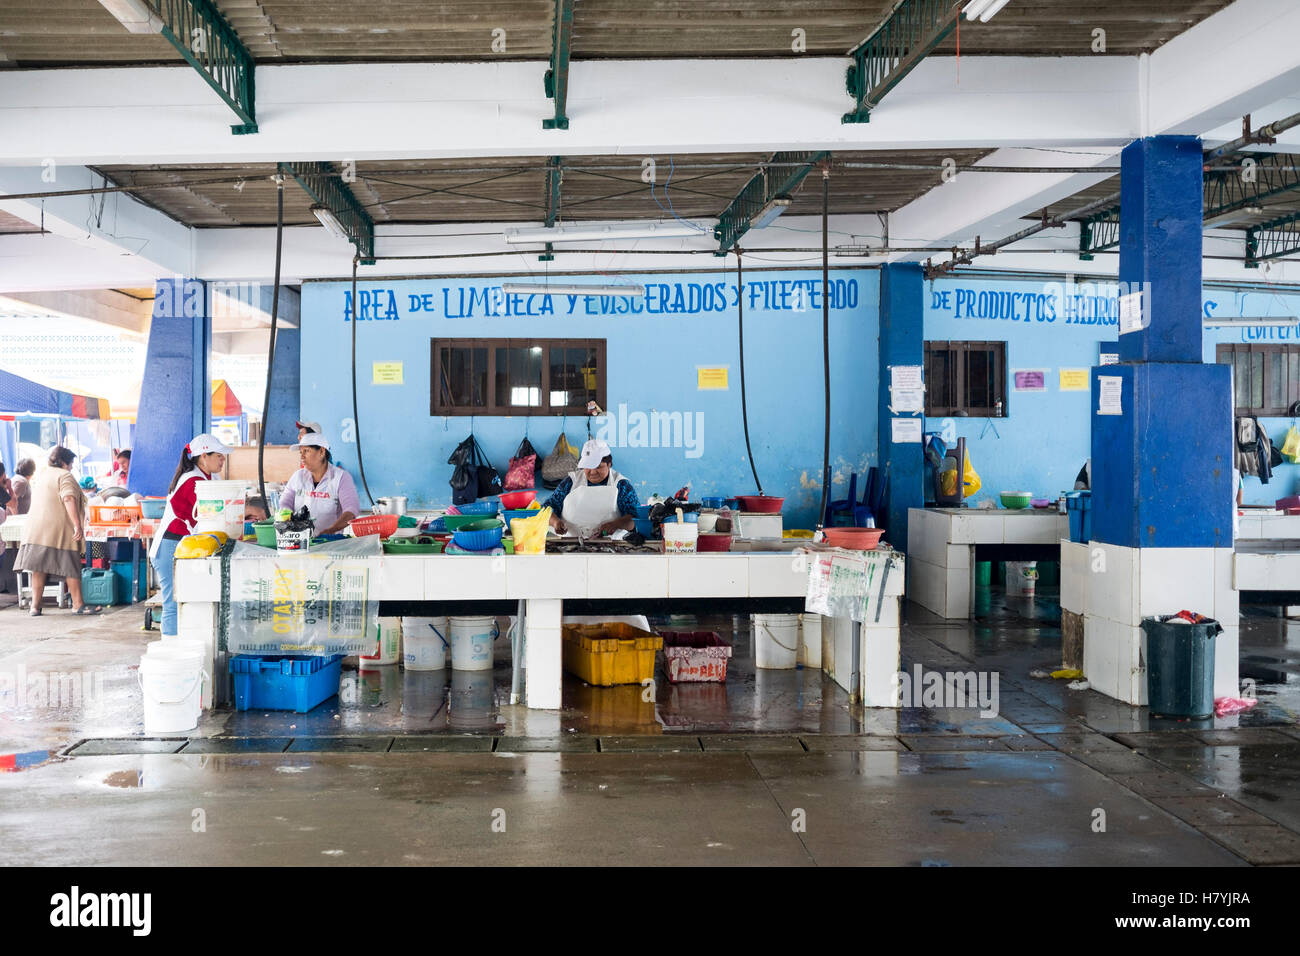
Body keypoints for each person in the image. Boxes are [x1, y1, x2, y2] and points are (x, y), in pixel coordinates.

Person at [149, 434, 231, 636]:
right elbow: (211, 515)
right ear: (204, 456)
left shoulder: (207, 477)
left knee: (186, 600)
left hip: (184, 546)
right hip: (170, 546)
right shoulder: (192, 481)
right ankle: (170, 650)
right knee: (173, 603)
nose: (223, 460)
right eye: (219, 456)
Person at [13, 446, 100, 616]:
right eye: (71, 463)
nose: (72, 466)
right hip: (58, 531)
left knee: (39, 568)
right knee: (70, 565)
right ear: (63, 462)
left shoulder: (43, 474)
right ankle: (78, 604)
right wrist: (77, 524)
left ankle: (35, 607)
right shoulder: (64, 476)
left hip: (36, 530)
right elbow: (68, 498)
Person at [544, 438, 639, 537]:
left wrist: (615, 524)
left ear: (609, 464)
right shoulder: (570, 482)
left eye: (598, 467)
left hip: (611, 545)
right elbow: (547, 508)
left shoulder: (621, 485)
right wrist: (556, 522)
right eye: (588, 466)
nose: (593, 472)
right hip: (571, 544)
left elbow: (635, 518)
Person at [280, 433, 360, 535]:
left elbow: (351, 511)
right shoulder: (297, 477)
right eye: (301, 452)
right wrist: (288, 518)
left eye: (306, 451)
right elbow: (285, 503)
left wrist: (331, 530)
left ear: (322, 452)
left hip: (331, 544)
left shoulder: (341, 478)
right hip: (300, 541)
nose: (302, 457)